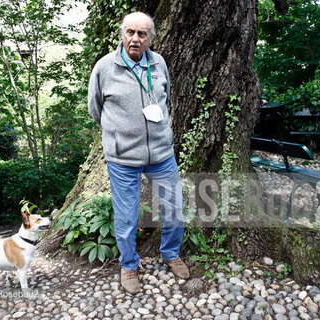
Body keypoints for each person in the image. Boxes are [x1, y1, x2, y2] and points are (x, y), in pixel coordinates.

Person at [88, 11, 189, 294]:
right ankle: (129, 264)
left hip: (161, 153)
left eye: (142, 34)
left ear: (150, 38)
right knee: (127, 217)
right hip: (122, 158)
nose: (135, 38)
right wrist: (121, 134)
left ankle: (170, 254)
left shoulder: (158, 64)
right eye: (130, 32)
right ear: (122, 35)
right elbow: (95, 109)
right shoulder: (105, 67)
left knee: (174, 210)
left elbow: (165, 97)